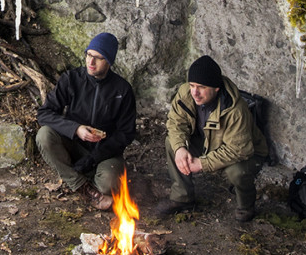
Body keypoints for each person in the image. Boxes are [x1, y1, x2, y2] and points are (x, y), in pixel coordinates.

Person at [157, 54, 267, 223]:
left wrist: (202, 163)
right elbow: (175, 122)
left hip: (245, 152)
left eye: (201, 87)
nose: (195, 92)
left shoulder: (235, 110)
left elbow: (239, 149)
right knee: (171, 144)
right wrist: (180, 148)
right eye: (192, 85)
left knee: (236, 173)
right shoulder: (186, 93)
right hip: (208, 142)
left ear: (216, 89)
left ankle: (246, 206)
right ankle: (182, 197)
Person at [36, 32, 136, 209]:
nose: (91, 62)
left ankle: (89, 175)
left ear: (109, 62)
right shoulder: (72, 79)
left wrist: (94, 157)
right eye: (89, 55)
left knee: (109, 184)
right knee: (44, 135)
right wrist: (75, 129)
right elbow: (44, 113)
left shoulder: (122, 90)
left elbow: (126, 133)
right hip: (73, 143)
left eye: (98, 58)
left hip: (104, 152)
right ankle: (83, 187)